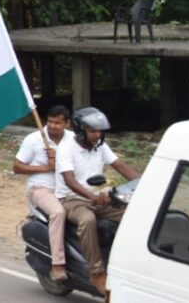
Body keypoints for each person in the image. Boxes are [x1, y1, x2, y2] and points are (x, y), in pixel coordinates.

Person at [56, 107, 140, 293]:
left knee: (133, 215)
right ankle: (96, 272)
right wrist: (92, 197)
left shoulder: (100, 146)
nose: (97, 135)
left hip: (100, 197)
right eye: (93, 131)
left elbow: (121, 166)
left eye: (100, 131)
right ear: (80, 130)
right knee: (87, 220)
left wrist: (143, 183)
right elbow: (69, 181)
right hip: (72, 199)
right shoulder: (66, 148)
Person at [14, 105, 74, 282]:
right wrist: (46, 167)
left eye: (58, 123)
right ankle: (57, 265)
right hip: (41, 189)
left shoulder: (73, 140)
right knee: (58, 213)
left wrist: (60, 157)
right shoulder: (34, 139)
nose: (53, 126)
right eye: (50, 122)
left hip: (67, 189)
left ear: (67, 124)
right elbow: (17, 167)